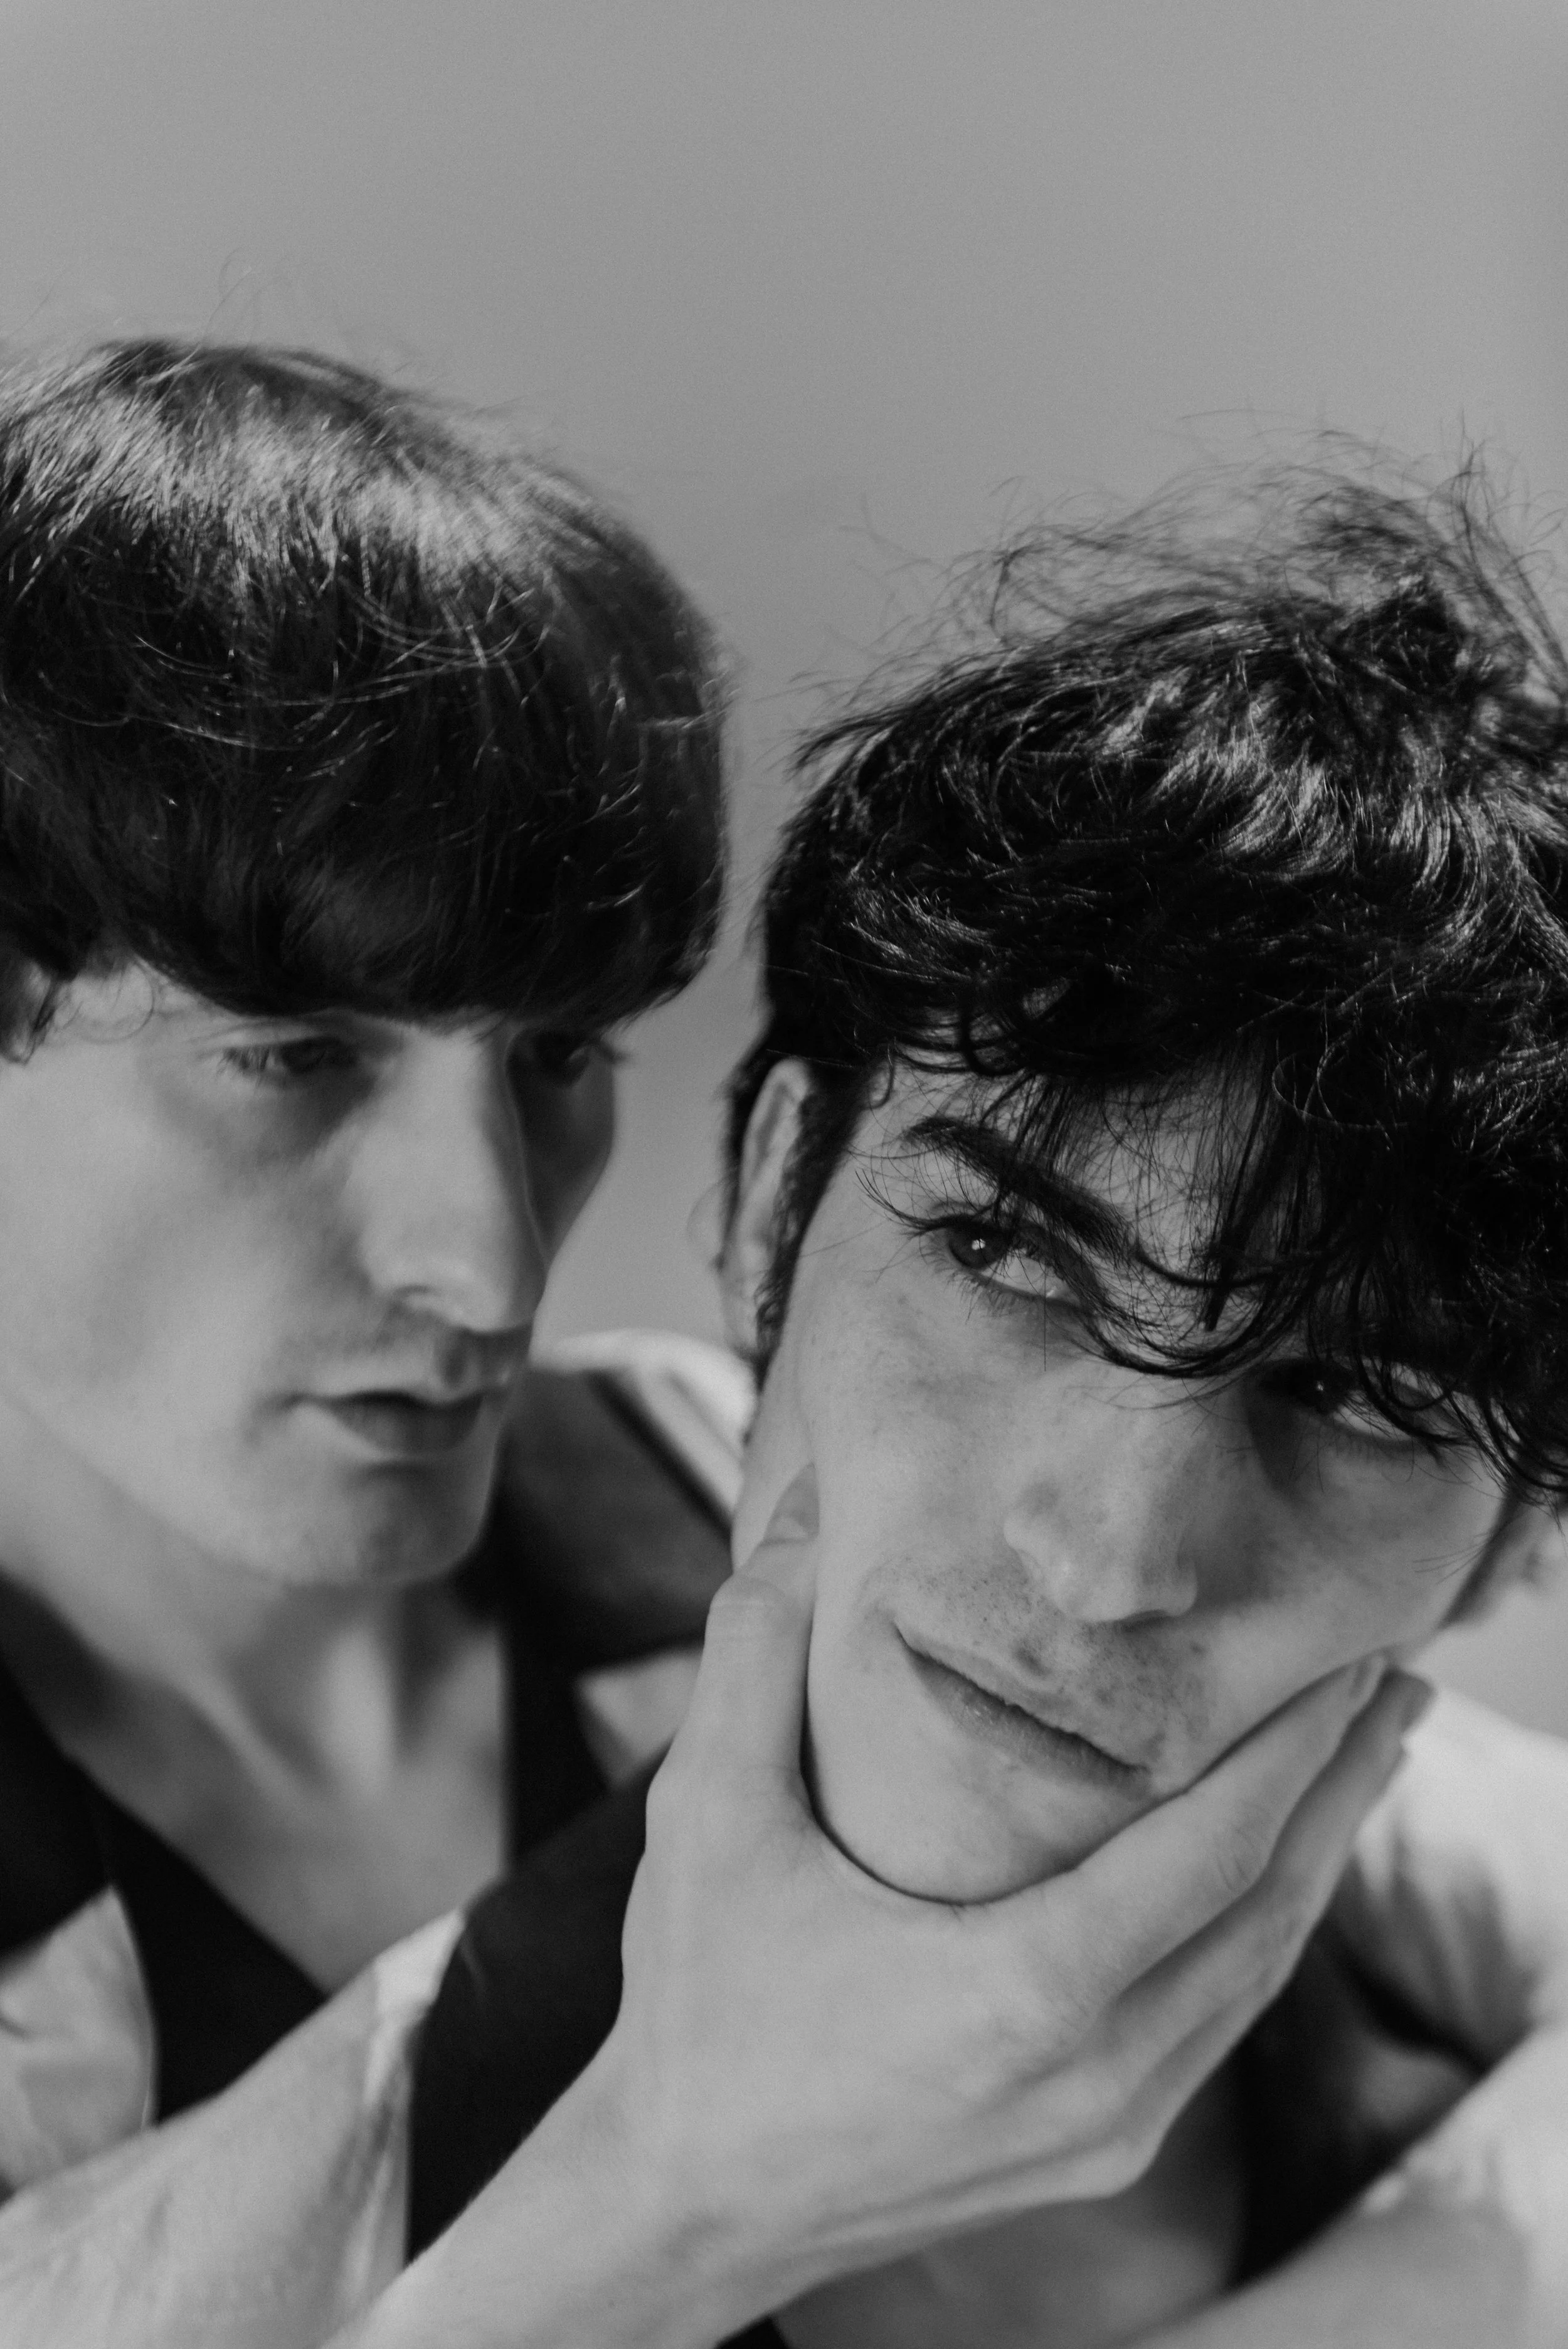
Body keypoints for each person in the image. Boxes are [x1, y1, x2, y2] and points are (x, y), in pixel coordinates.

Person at [0, 342, 1461, 2349]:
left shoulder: (684, 1472)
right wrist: (675, 2207)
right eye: (292, 1058)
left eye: (558, 1060)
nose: (488, 1252)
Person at [381, 466, 1568, 2347]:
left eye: (1351, 1396)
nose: (1106, 1560)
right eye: (1009, 1258)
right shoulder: (253, 1961)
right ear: (778, 1198)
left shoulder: (1463, 2058)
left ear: (1512, 1540)